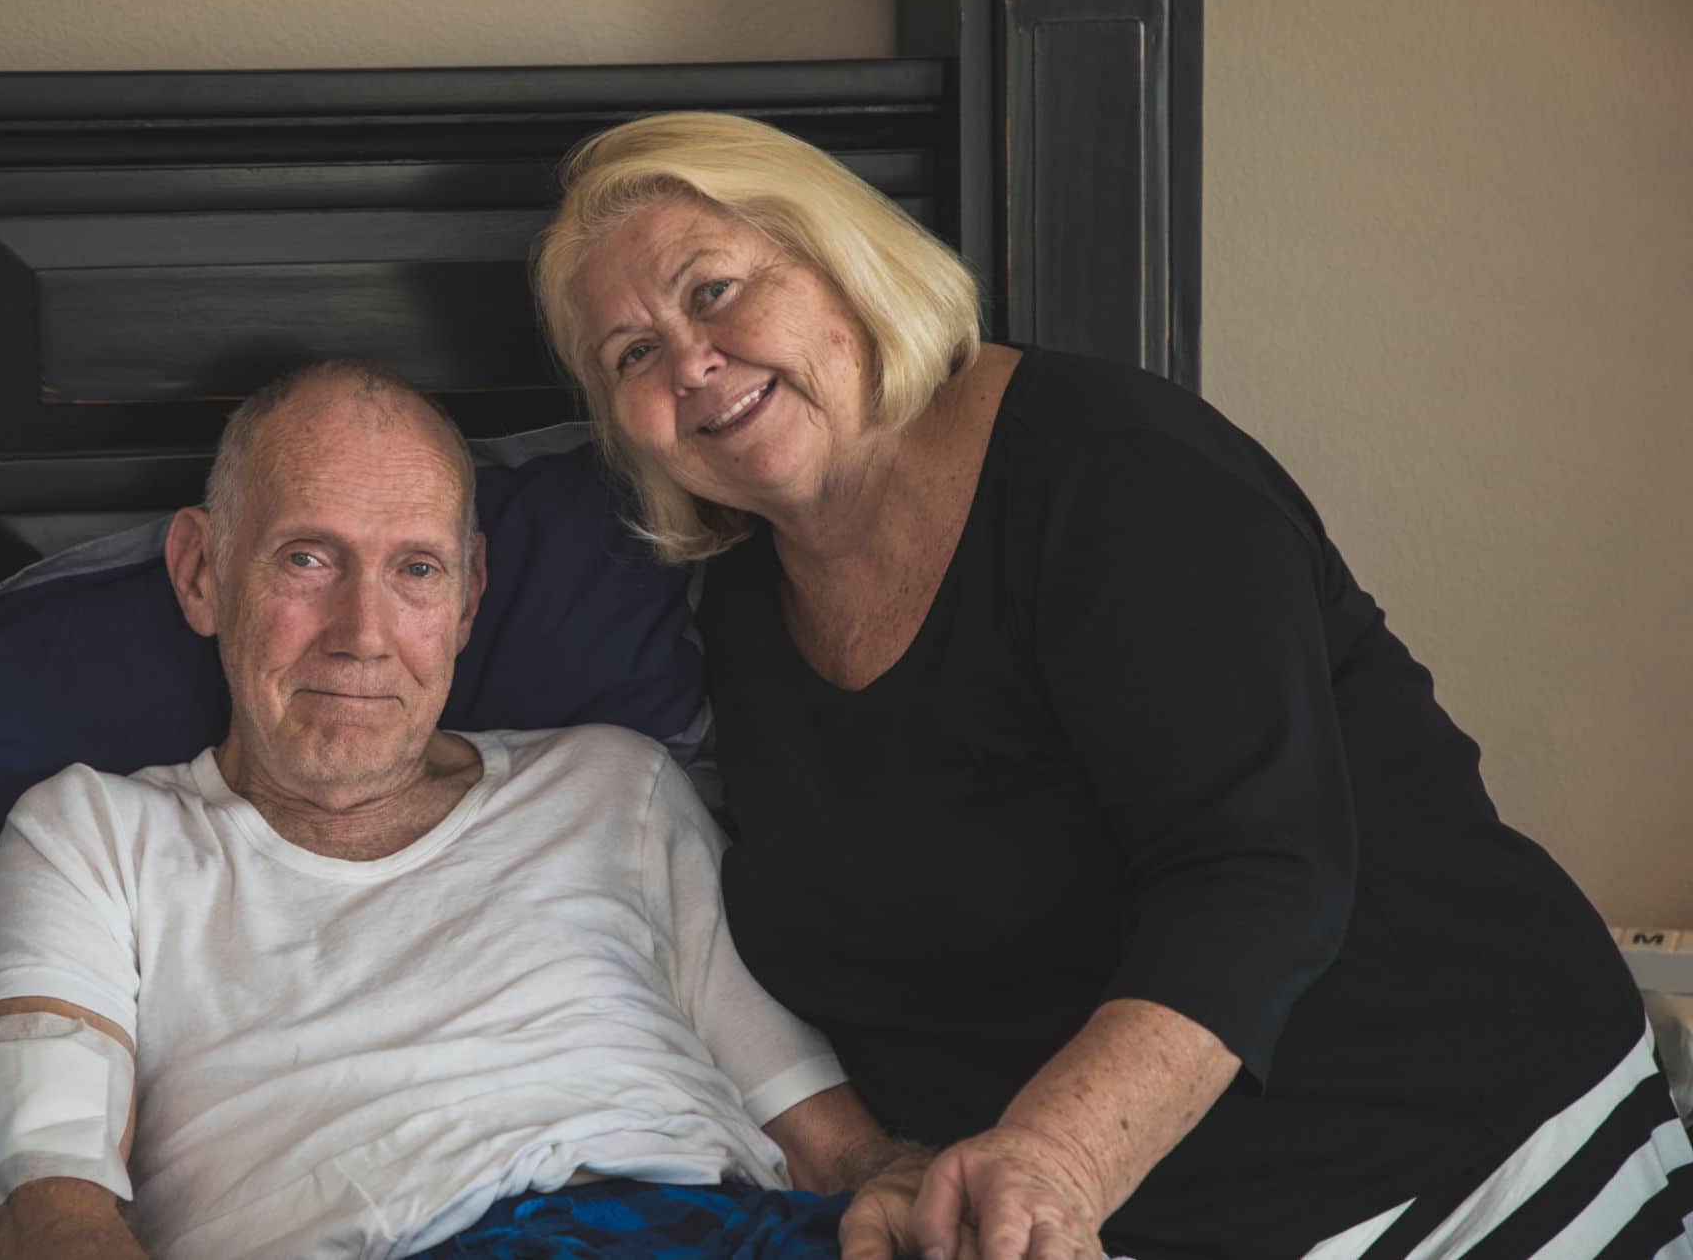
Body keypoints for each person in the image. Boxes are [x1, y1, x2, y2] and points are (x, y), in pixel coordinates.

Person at [532, 111, 1693, 1260]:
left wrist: (1051, 1161)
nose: (690, 362)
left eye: (713, 291)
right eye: (631, 353)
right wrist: (889, 1165)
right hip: (1096, 1213)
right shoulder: (736, 601)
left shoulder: (1110, 469)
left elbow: (1257, 872)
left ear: (840, 264)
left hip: (1446, 1140)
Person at [0, 360, 924, 1260]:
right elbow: (36, 1194)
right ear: (200, 571)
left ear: (467, 600)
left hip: (718, 1228)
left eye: (416, 570)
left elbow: (830, 1142)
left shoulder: (613, 784)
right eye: (306, 559)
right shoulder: (90, 836)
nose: (362, 637)